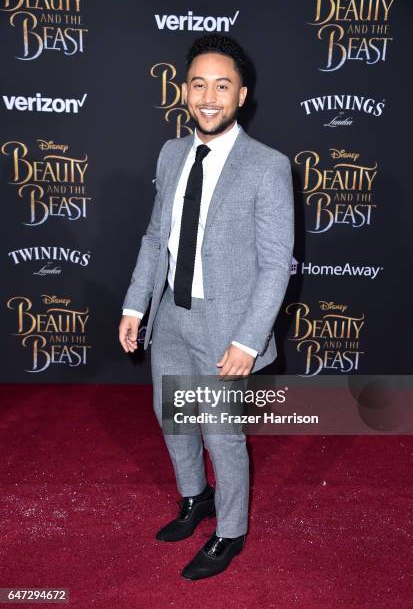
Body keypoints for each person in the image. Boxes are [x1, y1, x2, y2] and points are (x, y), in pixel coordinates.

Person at [119, 33, 294, 580]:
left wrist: (247, 340)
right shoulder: (171, 152)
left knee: (221, 432)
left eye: (223, 85)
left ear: (242, 96)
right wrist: (135, 305)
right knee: (173, 420)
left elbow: (275, 264)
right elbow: (155, 237)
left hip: (228, 329)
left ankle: (231, 531)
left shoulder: (267, 166)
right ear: (185, 91)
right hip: (170, 316)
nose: (210, 96)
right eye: (200, 84)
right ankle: (196, 499)